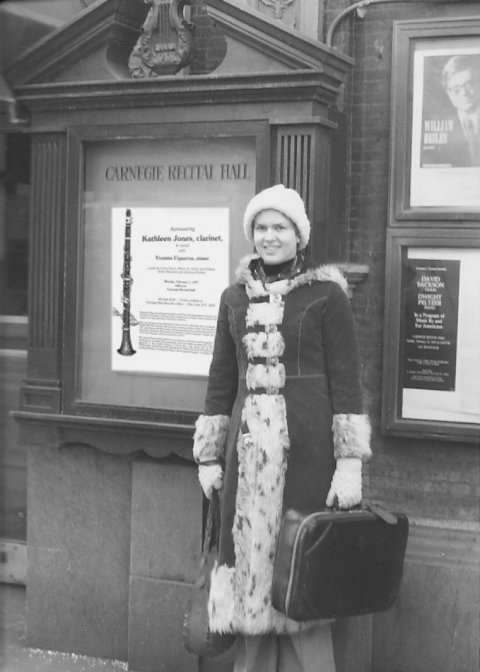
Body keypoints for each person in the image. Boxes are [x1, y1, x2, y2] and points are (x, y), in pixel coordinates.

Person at [192, 184, 372, 672]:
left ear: (299, 236)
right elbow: (220, 380)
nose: (270, 237)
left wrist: (349, 464)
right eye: (262, 228)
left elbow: (348, 384)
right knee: (249, 586)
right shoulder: (233, 298)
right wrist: (209, 456)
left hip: (309, 462)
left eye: (281, 227)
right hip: (245, 462)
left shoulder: (327, 296)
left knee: (299, 585)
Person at [421, 54, 480, 167]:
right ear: (448, 93)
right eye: (456, 89)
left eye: (469, 85)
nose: (464, 93)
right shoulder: (436, 125)